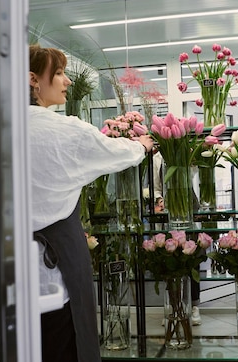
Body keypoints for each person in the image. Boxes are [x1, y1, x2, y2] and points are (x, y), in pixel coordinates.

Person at [28, 44, 154, 362]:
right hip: (55, 277)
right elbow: (116, 152)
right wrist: (141, 145)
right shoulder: (64, 130)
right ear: (33, 80)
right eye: (57, 73)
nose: (66, 81)